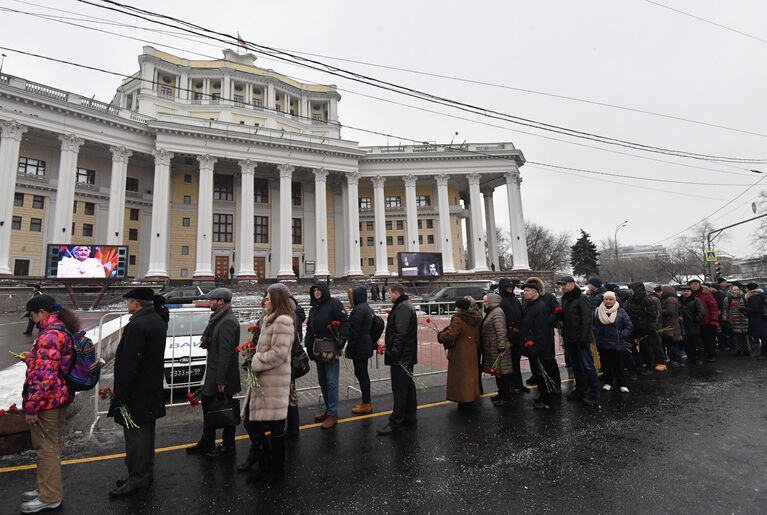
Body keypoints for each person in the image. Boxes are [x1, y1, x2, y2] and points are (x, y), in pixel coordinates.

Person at [18, 295, 78, 514]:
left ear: (42, 312)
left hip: (48, 402)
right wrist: (31, 358)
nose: (32, 320)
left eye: (33, 315)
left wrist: (32, 407)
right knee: (50, 447)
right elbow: (50, 365)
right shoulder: (59, 329)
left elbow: (44, 377)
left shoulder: (50, 335)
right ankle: (46, 487)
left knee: (46, 449)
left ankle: (50, 496)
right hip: (58, 398)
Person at [109, 287, 168, 498]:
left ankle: (138, 478)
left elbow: (129, 364)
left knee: (136, 437)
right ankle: (144, 472)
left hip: (137, 392)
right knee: (146, 434)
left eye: (129, 301)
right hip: (150, 388)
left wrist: (120, 395)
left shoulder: (138, 325)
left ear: (136, 303)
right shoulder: (156, 320)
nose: (128, 305)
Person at [241, 287, 295, 486]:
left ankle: (276, 470)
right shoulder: (269, 319)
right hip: (265, 380)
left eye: (267, 298)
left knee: (274, 429)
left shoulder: (283, 321)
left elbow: (279, 354)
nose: (264, 300)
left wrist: (256, 361)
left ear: (277, 301)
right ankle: (266, 467)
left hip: (274, 382)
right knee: (252, 423)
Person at [186, 288, 241, 458]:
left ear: (221, 302)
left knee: (225, 411)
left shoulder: (227, 322)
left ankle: (228, 445)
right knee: (209, 407)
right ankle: (207, 442)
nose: (209, 302)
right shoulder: (219, 319)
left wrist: (221, 381)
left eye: (212, 300)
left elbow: (226, 354)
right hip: (215, 374)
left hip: (222, 376)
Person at [264, 283, 306, 440]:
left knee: (286, 396)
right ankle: (287, 427)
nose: (265, 300)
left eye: (268, 297)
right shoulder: (284, 313)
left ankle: (288, 429)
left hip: (283, 365)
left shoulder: (284, 317)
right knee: (288, 396)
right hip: (283, 364)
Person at [305, 284, 349, 429]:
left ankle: (332, 413)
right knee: (323, 381)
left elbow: (345, 322)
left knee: (331, 382)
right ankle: (328, 409)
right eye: (314, 291)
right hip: (318, 349)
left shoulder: (334, 304)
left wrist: (341, 340)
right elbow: (310, 330)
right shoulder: (314, 309)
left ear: (324, 291)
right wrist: (308, 346)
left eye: (319, 290)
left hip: (331, 348)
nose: (317, 293)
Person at [378, 283, 418, 435]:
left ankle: (396, 422)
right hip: (406, 356)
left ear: (396, 293)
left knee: (400, 389)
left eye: (390, 293)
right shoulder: (404, 306)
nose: (389, 295)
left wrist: (393, 352)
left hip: (401, 357)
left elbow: (400, 333)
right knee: (407, 388)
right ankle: (409, 417)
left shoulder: (402, 308)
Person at [557, 275, 599, 406]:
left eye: (565, 284)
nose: (562, 287)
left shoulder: (581, 298)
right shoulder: (565, 299)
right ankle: (581, 388)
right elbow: (565, 317)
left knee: (588, 365)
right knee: (576, 365)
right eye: (561, 285)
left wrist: (583, 338)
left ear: (572, 284)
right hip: (569, 337)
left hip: (581, 338)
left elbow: (587, 319)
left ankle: (594, 392)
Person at [437, 297, 481, 407]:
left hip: (460, 351)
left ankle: (464, 399)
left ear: (458, 308)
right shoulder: (475, 317)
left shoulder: (458, 319)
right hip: (472, 350)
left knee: (461, 376)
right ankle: (471, 396)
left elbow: (451, 335)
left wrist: (441, 335)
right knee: (470, 375)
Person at [520, 281, 558, 409]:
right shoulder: (530, 305)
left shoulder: (540, 307)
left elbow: (542, 330)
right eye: (524, 291)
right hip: (532, 347)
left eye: (528, 291)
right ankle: (543, 395)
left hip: (539, 349)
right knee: (537, 374)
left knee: (542, 374)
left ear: (535, 292)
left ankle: (547, 400)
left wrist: (538, 348)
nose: (525, 293)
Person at [593, 291, 633, 393]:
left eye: (610, 299)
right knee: (606, 364)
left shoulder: (621, 311)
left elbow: (629, 325)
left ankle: (622, 384)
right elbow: (594, 325)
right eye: (606, 299)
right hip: (603, 342)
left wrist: (622, 335)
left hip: (617, 343)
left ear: (614, 300)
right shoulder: (598, 311)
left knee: (619, 364)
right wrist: (596, 333)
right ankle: (608, 382)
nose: (608, 301)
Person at [624, 282, 666, 373]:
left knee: (647, 348)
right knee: (641, 348)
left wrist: (650, 328)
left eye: (631, 289)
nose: (630, 291)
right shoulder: (631, 300)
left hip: (646, 329)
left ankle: (650, 366)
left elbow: (652, 315)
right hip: (636, 327)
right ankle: (642, 365)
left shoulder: (648, 300)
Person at [345, 286, 374, 415]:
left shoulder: (358, 310)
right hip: (366, 343)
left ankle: (366, 403)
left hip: (359, 346)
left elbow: (354, 331)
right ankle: (366, 402)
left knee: (361, 374)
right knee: (363, 374)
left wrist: (349, 347)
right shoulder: (367, 308)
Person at [481, 293, 513, 407]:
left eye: (486, 301)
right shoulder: (492, 312)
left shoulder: (497, 312)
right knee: (498, 372)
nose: (484, 303)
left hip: (498, 348)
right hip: (492, 347)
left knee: (502, 373)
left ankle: (506, 396)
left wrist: (501, 347)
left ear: (491, 301)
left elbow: (501, 331)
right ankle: (501, 394)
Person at [497, 278, 526, 394]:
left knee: (516, 361)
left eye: (511, 287)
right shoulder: (500, 300)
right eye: (508, 287)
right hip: (507, 335)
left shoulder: (514, 299)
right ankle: (509, 387)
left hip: (517, 335)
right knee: (507, 364)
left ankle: (518, 384)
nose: (510, 289)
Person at [689, 279, 719, 363]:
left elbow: (714, 307)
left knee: (709, 339)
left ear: (699, 285)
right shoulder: (690, 295)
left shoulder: (706, 294)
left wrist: (714, 319)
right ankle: (704, 354)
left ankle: (712, 355)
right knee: (700, 340)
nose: (694, 286)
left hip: (708, 321)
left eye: (696, 284)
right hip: (696, 321)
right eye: (692, 284)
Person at [679, 285, 706, 366]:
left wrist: (696, 320)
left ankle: (700, 358)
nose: (685, 292)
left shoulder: (696, 300)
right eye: (684, 291)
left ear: (691, 292)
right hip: (683, 326)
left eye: (687, 291)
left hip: (694, 325)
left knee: (697, 343)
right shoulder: (679, 300)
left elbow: (702, 312)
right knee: (687, 344)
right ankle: (691, 357)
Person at [660, 286, 684, 367]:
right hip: (672, 325)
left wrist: (660, 310)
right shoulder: (672, 299)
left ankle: (678, 360)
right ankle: (675, 360)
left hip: (671, 325)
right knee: (672, 344)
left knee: (672, 344)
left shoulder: (670, 300)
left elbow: (670, 311)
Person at [722, 285, 750, 356]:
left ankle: (746, 349)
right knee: (736, 335)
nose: (736, 291)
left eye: (737, 289)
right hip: (733, 319)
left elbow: (747, 307)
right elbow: (725, 309)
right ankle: (738, 349)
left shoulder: (743, 297)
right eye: (734, 290)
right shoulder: (727, 299)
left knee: (745, 335)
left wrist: (746, 313)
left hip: (743, 318)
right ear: (731, 290)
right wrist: (725, 319)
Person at [743, 283, 767, 359]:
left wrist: (744, 309)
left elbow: (755, 309)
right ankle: (763, 352)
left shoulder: (753, 297)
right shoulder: (760, 294)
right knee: (764, 337)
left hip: (758, 319)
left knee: (763, 337)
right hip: (762, 318)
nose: (745, 289)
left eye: (746, 288)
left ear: (750, 289)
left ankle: (764, 353)